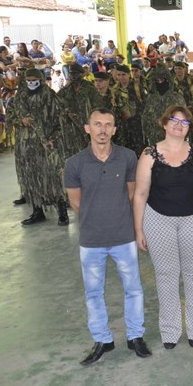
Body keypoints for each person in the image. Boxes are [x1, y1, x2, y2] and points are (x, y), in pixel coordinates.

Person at [64, 108, 151, 365]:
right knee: (93, 292)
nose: (102, 130)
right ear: (87, 128)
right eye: (97, 124)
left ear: (115, 129)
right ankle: (102, 339)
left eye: (108, 125)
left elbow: (132, 195)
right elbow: (77, 203)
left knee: (133, 289)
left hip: (123, 236)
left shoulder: (127, 157)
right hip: (91, 240)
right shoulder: (74, 164)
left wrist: (127, 225)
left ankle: (135, 336)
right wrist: (99, 217)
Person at [132, 105, 193, 349]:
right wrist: (139, 229)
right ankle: (170, 332)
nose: (180, 126)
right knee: (166, 275)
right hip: (158, 219)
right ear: (164, 123)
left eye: (185, 122)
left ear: (190, 127)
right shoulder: (149, 154)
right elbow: (140, 194)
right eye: (175, 121)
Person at [8, 68, 69, 226]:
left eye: (34, 79)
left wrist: (52, 138)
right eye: (28, 80)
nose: (31, 83)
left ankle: (62, 211)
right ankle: (37, 210)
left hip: (48, 144)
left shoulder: (50, 96)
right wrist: (20, 122)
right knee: (31, 178)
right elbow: (12, 117)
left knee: (53, 177)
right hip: (26, 145)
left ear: (41, 79)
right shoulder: (20, 97)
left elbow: (61, 120)